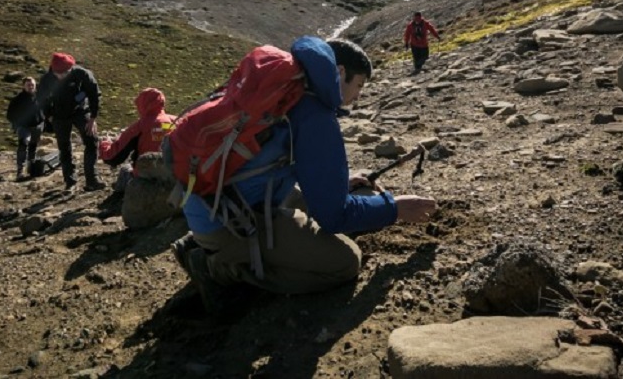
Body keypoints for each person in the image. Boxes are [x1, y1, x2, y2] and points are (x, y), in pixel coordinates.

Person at [171, 37, 437, 313]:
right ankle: (218, 267)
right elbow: (334, 216)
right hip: (230, 221)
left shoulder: (286, 94)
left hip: (210, 205)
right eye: (358, 85)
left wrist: (339, 185)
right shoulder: (314, 115)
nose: (358, 96)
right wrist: (394, 208)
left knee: (351, 198)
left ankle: (208, 244)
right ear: (340, 72)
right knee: (345, 262)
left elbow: (271, 163)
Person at [36, 52, 104, 191]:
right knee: (64, 148)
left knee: (91, 141)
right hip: (58, 115)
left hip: (80, 111)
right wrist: (49, 116)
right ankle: (70, 181)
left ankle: (92, 179)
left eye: (65, 73)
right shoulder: (47, 79)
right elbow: (40, 100)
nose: (61, 76)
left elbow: (94, 94)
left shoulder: (82, 74)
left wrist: (92, 118)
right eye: (58, 73)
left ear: (71, 68)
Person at [99, 87, 176, 193]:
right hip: (175, 175)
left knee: (125, 170)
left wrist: (105, 144)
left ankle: (118, 200)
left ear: (143, 105)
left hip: (147, 175)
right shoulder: (176, 121)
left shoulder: (140, 126)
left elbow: (113, 157)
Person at [6, 77, 44, 181]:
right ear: (24, 86)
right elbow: (10, 115)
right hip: (24, 127)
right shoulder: (17, 99)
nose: (31, 86)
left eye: (32, 84)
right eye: (28, 85)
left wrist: (43, 120)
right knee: (23, 144)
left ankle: (32, 169)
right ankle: (20, 171)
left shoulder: (39, 97)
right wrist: (18, 124)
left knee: (33, 146)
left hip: (37, 126)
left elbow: (46, 109)